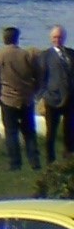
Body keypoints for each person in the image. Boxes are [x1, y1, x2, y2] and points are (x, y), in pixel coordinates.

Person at [0, 24, 43, 171]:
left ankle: (15, 164)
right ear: (17, 38)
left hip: (7, 100)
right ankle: (34, 162)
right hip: (26, 99)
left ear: (4, 39)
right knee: (29, 132)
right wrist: (34, 91)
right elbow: (38, 76)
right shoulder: (27, 55)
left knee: (11, 133)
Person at [42, 24, 74, 163]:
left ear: (64, 38)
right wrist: (44, 94)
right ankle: (50, 160)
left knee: (70, 130)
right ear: (51, 38)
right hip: (52, 99)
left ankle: (69, 157)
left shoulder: (71, 54)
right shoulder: (45, 56)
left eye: (60, 37)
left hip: (70, 98)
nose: (57, 40)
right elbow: (40, 77)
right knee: (51, 132)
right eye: (55, 37)